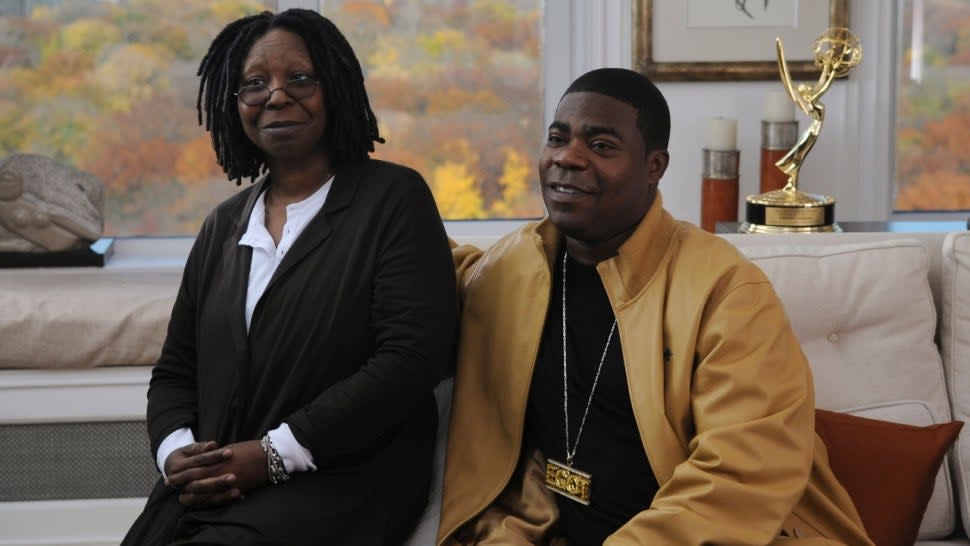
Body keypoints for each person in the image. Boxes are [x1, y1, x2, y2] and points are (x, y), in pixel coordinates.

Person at [436, 68, 874, 546]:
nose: (567, 157)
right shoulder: (512, 269)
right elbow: (415, 261)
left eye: (601, 146)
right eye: (557, 138)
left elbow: (739, 477)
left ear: (654, 166)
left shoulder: (727, 291)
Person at [122, 9, 457, 546]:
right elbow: (175, 370)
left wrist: (274, 455)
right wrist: (175, 453)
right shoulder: (223, 226)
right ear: (234, 106)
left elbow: (412, 359)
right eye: (254, 84)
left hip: (346, 479)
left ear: (337, 88)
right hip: (222, 483)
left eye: (300, 78)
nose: (276, 96)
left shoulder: (393, 199)